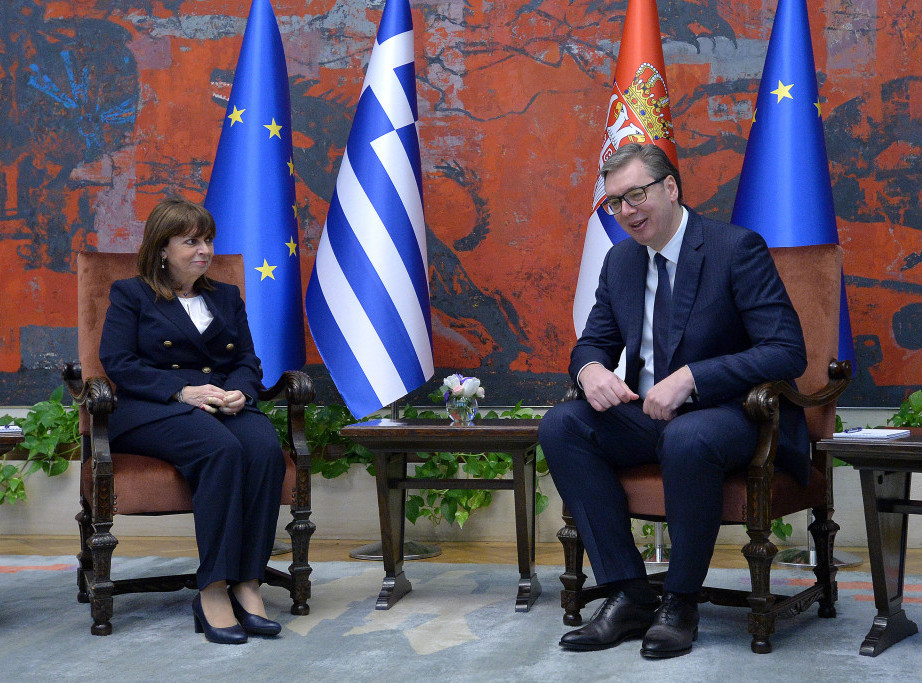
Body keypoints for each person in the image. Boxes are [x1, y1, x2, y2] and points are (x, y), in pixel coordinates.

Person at [539, 143, 808, 659]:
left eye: (636, 194)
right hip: (647, 417)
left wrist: (693, 377)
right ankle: (629, 593)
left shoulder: (735, 248)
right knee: (561, 425)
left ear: (670, 188)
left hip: (729, 416)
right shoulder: (620, 261)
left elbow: (786, 350)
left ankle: (680, 602)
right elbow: (593, 343)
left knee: (688, 435)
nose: (626, 211)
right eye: (615, 202)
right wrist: (590, 370)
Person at [99, 198, 286, 645]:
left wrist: (242, 391)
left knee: (264, 448)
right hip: (151, 407)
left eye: (208, 241)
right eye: (191, 242)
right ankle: (213, 588)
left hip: (220, 402)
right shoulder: (131, 294)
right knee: (220, 449)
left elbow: (246, 359)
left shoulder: (225, 296)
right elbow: (118, 362)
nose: (204, 251)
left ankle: (248, 581)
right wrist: (181, 390)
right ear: (162, 248)